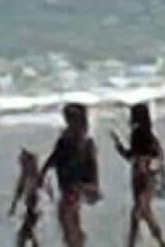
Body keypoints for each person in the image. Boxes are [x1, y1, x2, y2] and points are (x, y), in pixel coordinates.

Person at [114, 101, 165, 247]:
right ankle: (159, 242)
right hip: (147, 177)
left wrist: (119, 147)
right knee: (143, 211)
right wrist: (162, 181)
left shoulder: (138, 134)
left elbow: (131, 157)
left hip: (140, 177)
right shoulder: (149, 135)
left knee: (139, 211)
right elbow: (159, 158)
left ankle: (154, 242)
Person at [47, 101, 101, 247]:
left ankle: (75, 242)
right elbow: (92, 167)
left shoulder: (73, 141)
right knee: (69, 222)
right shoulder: (80, 141)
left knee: (68, 222)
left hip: (71, 186)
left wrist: (43, 173)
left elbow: (54, 158)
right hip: (73, 186)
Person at [9, 147, 49, 247]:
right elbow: (18, 192)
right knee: (26, 234)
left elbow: (44, 195)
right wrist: (13, 207)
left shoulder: (37, 176)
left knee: (24, 234)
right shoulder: (25, 176)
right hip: (30, 208)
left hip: (35, 209)